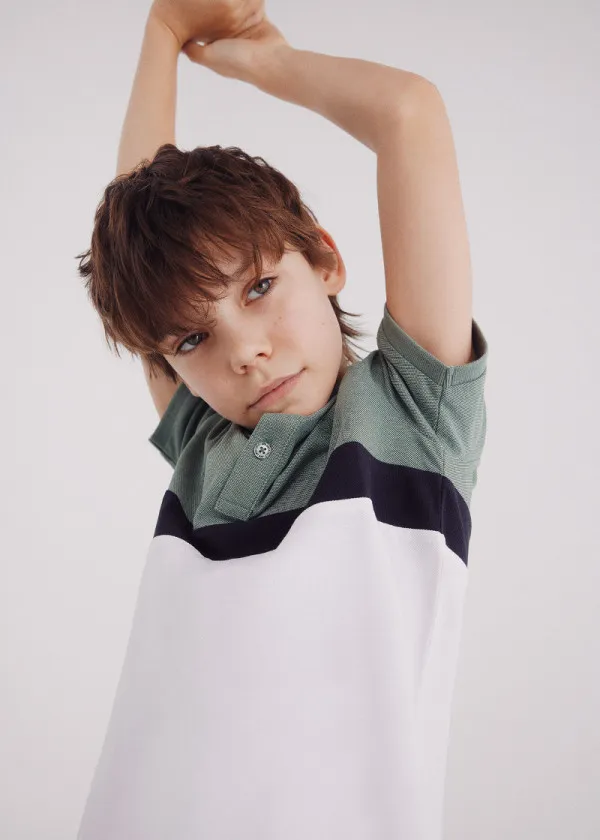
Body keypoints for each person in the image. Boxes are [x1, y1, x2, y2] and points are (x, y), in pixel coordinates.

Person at [75, 1, 489, 838]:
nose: (246, 352)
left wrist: (260, 61)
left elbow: (409, 113)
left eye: (259, 287)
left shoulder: (411, 414)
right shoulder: (203, 444)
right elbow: (140, 265)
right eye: (193, 339)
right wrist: (161, 32)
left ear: (326, 259)